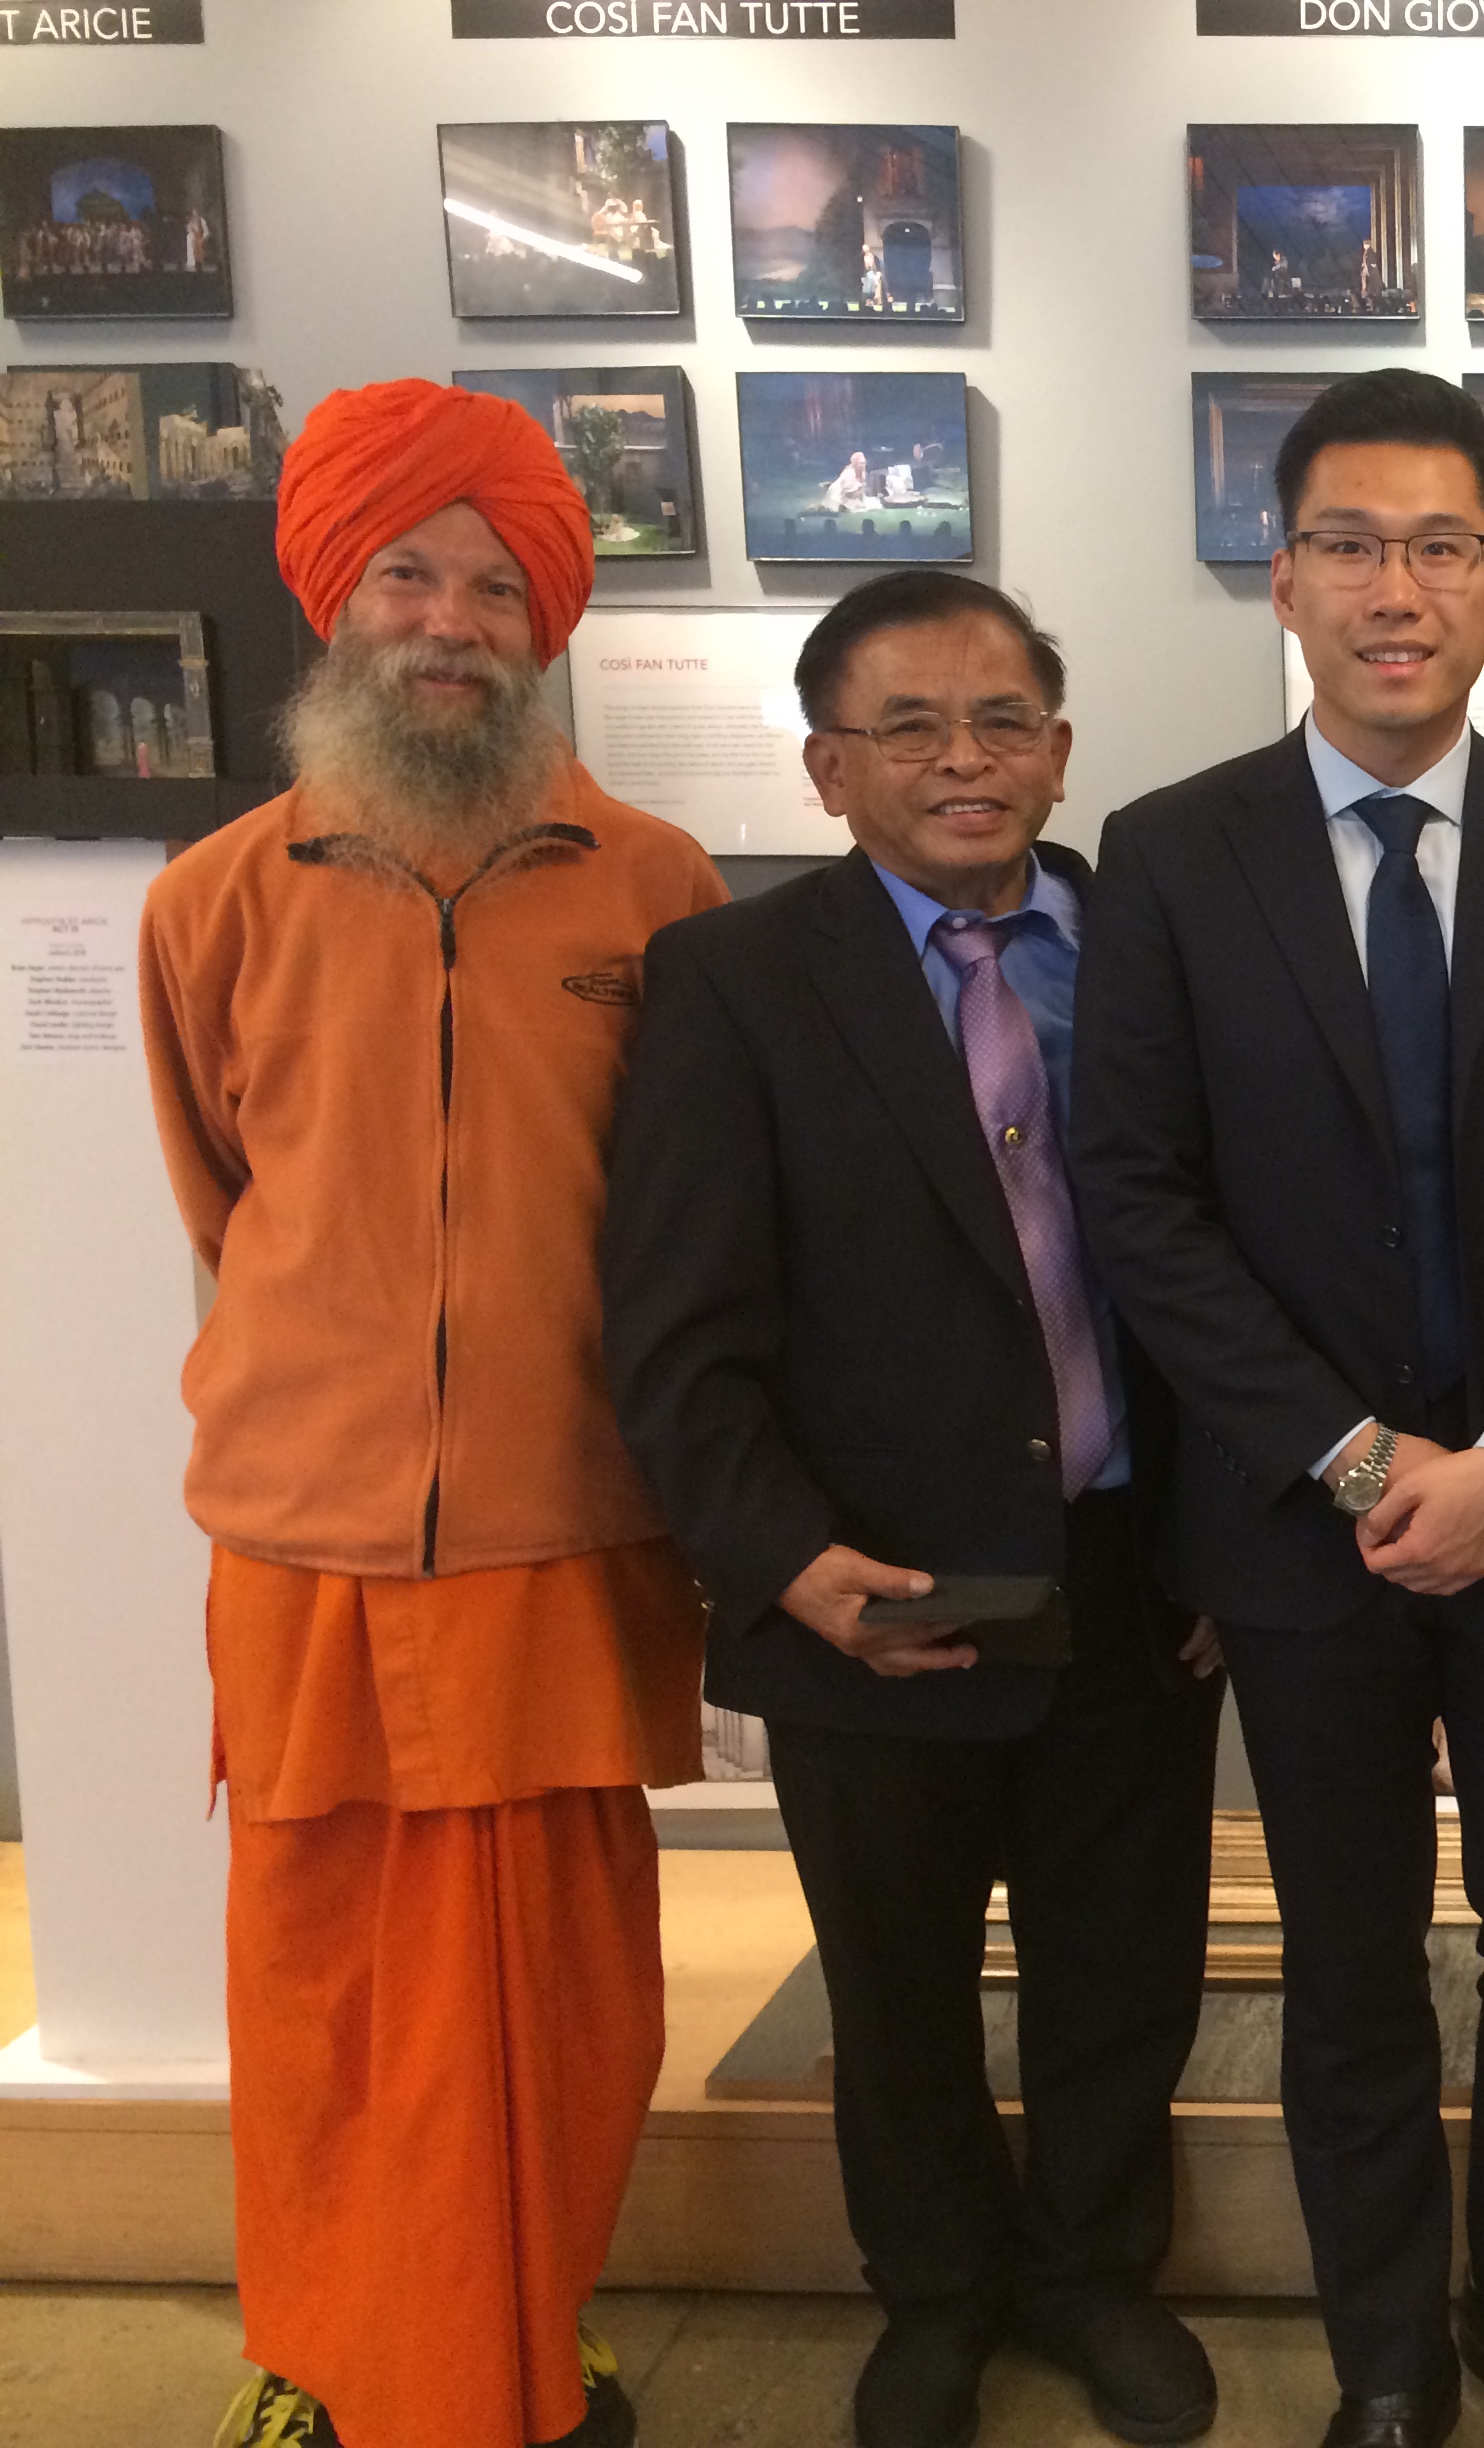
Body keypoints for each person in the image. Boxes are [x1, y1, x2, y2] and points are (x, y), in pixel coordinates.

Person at [1071, 367, 1484, 2448]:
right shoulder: (1170, 854)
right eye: (1349, 543)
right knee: (1345, 1964)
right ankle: (1388, 2362)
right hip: (1298, 1529)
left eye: (1439, 546)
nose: (1392, 589)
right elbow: (1140, 1198)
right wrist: (1353, 1460)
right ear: (1284, 579)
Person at [136, 378, 729, 2448]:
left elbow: (695, 1220)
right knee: (322, 1984)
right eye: (410, 574)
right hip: (305, 1541)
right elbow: (224, 1194)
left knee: (561, 1984)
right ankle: (322, 2351)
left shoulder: (656, 889)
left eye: (494, 585)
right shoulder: (214, 896)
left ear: (545, 618)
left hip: (568, 1527)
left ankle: (525, 2333)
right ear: (337, 597)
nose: (453, 622)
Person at [601, 572, 1227, 2448]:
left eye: (1002, 719)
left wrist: (1231, 1532)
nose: (965, 758)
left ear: (1059, 746)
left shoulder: (1157, 947)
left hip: (1132, 1568)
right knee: (895, 1982)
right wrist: (785, 1563)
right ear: (826, 768)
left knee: (1125, 1963)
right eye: (909, 727)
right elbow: (675, 1324)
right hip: (869, 1582)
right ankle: (937, 2291)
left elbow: (1235, 1263)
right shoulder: (732, 980)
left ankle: (1092, 2272)